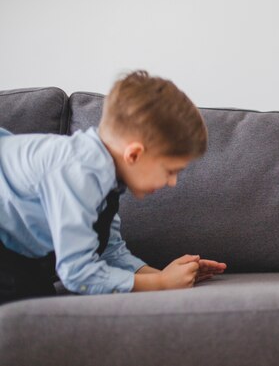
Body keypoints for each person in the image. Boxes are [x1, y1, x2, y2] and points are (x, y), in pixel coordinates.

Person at [0, 70, 226, 304]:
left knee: (36, 296)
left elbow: (108, 250)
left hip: (18, 248)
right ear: (134, 154)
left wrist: (167, 277)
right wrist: (160, 284)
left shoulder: (107, 180)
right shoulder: (79, 172)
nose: (172, 182)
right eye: (170, 171)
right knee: (31, 307)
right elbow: (77, 273)